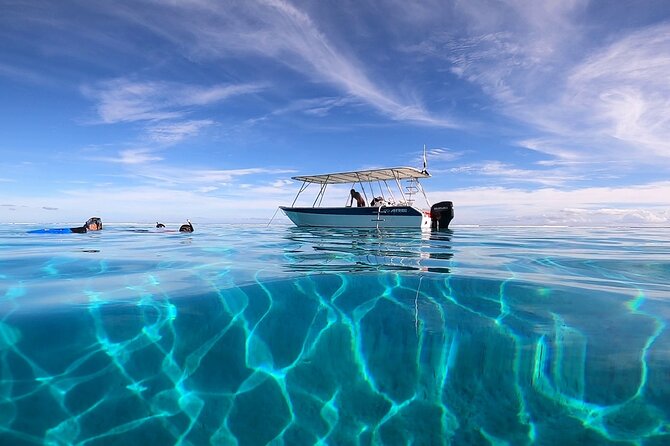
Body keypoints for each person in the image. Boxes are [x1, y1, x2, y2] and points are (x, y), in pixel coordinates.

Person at [28, 217, 102, 234]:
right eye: (92, 225)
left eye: (95, 225)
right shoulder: (83, 230)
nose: (93, 227)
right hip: (66, 231)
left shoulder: (84, 230)